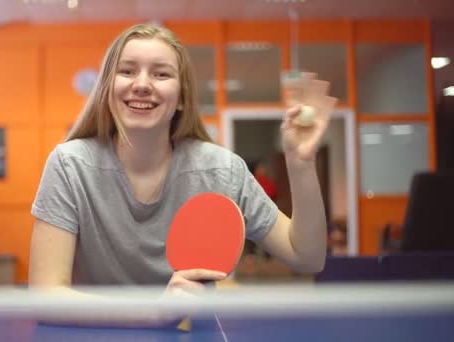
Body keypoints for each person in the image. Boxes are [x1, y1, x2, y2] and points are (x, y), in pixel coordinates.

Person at [29, 23, 336, 296]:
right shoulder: (69, 166)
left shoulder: (221, 171)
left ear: (182, 98)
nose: (142, 84)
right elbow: (46, 295)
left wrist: (300, 162)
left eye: (161, 73)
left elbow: (307, 256)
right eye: (127, 71)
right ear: (108, 88)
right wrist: (158, 315)